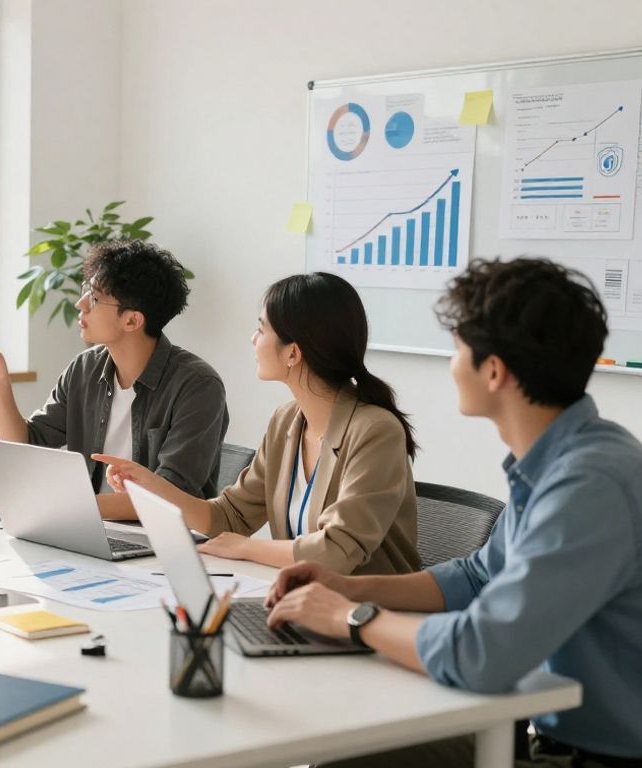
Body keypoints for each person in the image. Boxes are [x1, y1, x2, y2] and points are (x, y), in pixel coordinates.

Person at [267, 258, 642, 767]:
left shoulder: (590, 484)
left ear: (493, 371)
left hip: (598, 757)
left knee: (351, 756)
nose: (450, 363)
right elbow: (475, 576)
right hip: (554, 740)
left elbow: (482, 651)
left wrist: (352, 618)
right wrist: (350, 587)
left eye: (458, 347)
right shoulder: (563, 461)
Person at [99, 272, 420, 575]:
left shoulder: (375, 431)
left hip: (369, 611)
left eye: (262, 329)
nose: (253, 338)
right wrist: (153, 488)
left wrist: (247, 549)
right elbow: (229, 516)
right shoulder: (287, 421)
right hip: (303, 599)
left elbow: (337, 550)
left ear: (292, 353)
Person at [0, 239, 227, 520]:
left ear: (131, 321)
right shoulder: (85, 368)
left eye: (95, 297)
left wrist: (67, 508)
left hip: (162, 541)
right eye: (85, 290)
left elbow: (170, 498)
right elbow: (26, 447)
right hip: (92, 528)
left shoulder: (197, 385)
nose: (80, 303)